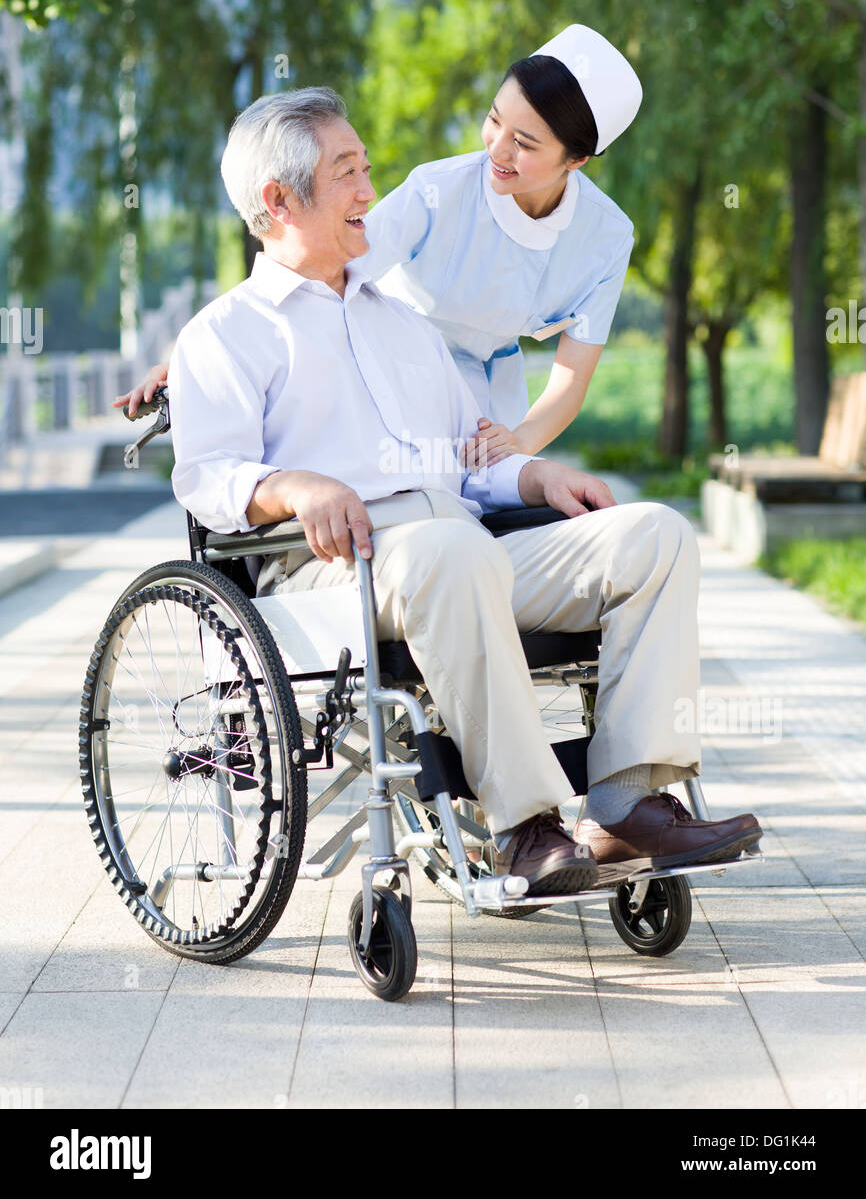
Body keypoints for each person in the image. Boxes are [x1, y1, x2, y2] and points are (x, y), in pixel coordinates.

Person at [167, 87, 762, 895]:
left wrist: (535, 474)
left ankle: (624, 805)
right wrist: (294, 485)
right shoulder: (226, 332)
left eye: (366, 169)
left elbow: (469, 455)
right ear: (278, 200)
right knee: (453, 552)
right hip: (337, 570)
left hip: (460, 549)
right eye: (348, 173)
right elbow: (206, 477)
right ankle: (523, 826)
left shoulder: (402, 322)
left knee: (653, 535)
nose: (370, 192)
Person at [118, 23, 640, 469]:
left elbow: (571, 381)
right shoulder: (439, 191)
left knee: (510, 513)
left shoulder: (606, 239)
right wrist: (199, 353)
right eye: (494, 120)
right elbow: (313, 261)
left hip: (494, 394)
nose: (497, 149)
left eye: (524, 144)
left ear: (575, 161)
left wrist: (520, 441)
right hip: (399, 364)